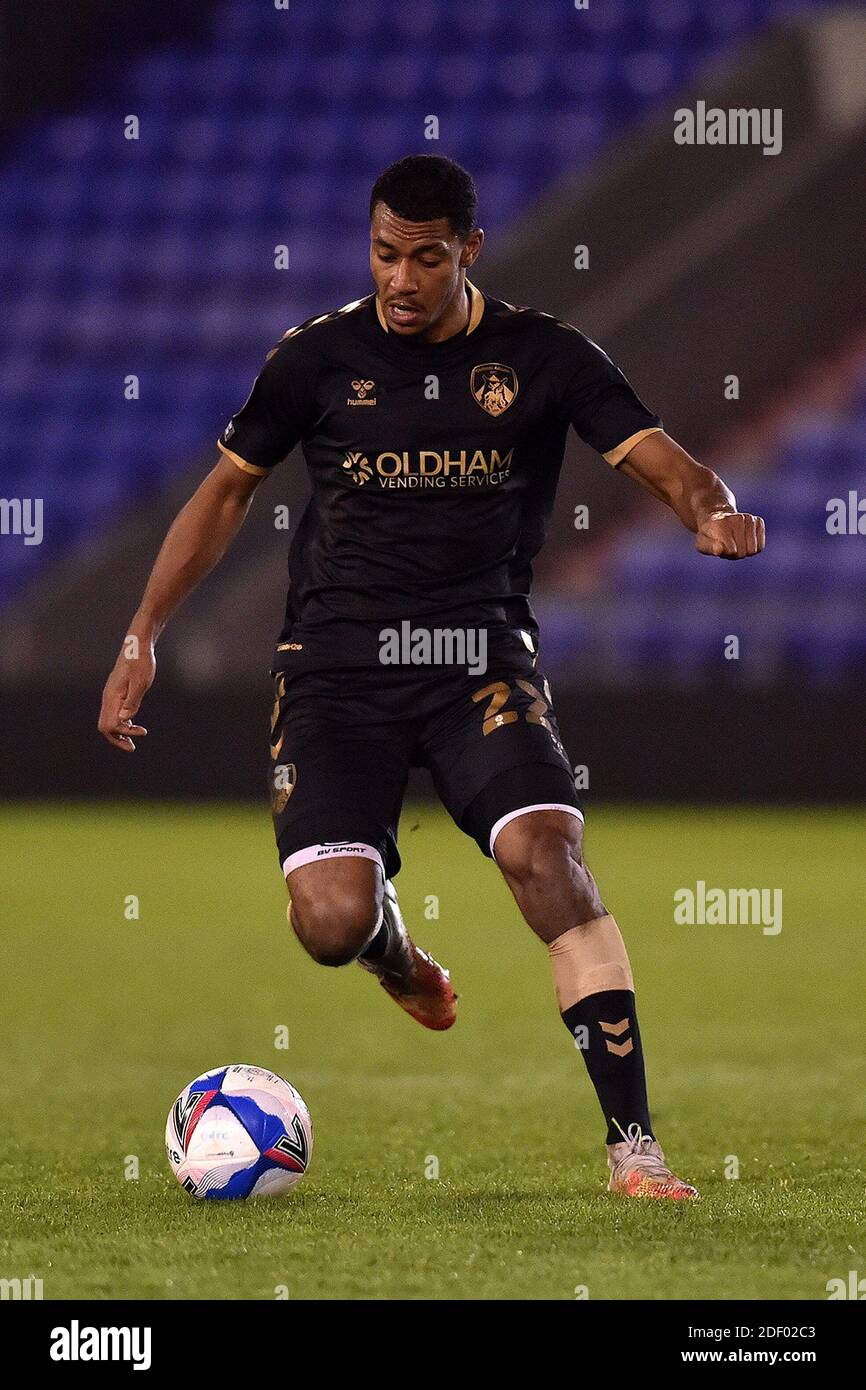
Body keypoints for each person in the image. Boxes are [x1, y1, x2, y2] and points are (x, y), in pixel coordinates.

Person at [99, 155, 765, 1199]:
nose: (399, 280)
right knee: (326, 920)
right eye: (382, 254)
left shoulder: (542, 357)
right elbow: (225, 492)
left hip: (477, 663)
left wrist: (709, 511)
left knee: (547, 858)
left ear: (470, 250)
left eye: (423, 257)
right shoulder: (315, 360)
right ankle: (394, 954)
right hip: (335, 672)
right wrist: (142, 631)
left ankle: (632, 1148)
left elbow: (661, 461)